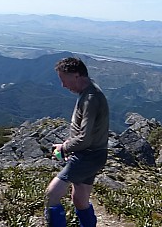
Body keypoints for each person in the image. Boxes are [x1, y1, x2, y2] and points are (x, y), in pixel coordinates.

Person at [46, 56, 107, 227]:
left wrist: (64, 147)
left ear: (76, 76)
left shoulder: (91, 99)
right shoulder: (89, 93)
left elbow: (85, 138)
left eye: (64, 80)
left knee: (52, 194)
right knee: (80, 200)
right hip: (94, 154)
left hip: (88, 156)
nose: (63, 85)